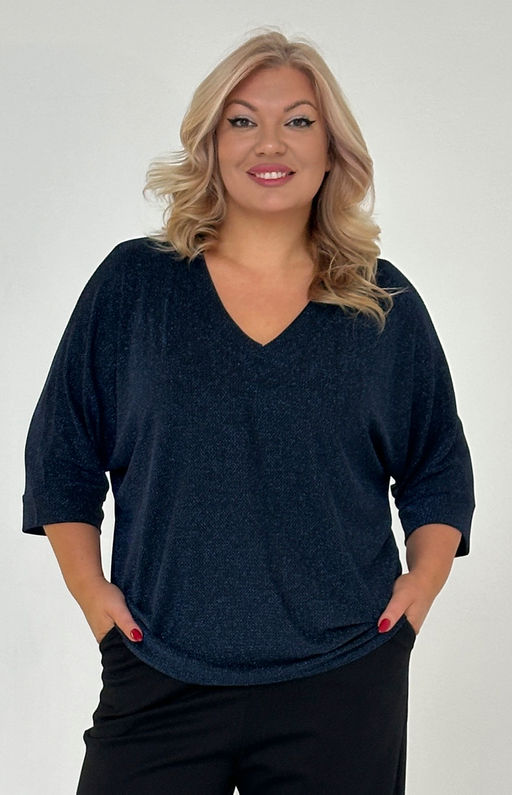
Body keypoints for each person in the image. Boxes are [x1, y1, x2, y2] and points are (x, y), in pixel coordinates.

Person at [22, 27, 475, 795]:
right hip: (158, 672)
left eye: (298, 120)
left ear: (331, 148)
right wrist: (96, 600)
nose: (271, 142)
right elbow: (62, 454)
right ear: (211, 144)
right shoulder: (136, 286)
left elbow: (438, 466)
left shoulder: (381, 302)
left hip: (341, 681)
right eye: (242, 120)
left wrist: (415, 597)